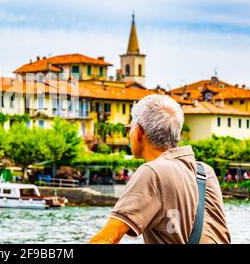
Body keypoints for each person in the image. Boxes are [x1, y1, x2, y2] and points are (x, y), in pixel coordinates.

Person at [89, 95, 230, 244]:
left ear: (139, 132)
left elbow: (107, 238)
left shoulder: (152, 172)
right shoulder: (205, 172)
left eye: (129, 128)